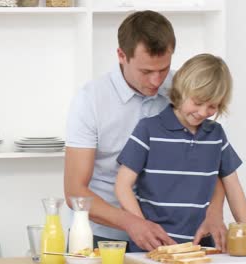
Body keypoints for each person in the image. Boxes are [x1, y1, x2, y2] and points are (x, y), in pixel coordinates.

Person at [64, 10, 228, 252]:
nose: (156, 81)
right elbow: (75, 191)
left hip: (174, 239)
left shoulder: (183, 91)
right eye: (146, 71)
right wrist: (133, 222)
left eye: (163, 69)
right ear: (121, 55)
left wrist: (215, 212)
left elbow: (211, 160)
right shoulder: (91, 101)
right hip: (104, 237)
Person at [114, 53, 246, 252]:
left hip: (200, 249)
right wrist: (143, 227)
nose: (203, 112)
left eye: (212, 106)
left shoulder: (216, 135)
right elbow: (122, 186)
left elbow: (233, 186)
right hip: (151, 249)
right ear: (181, 90)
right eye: (197, 102)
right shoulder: (148, 130)